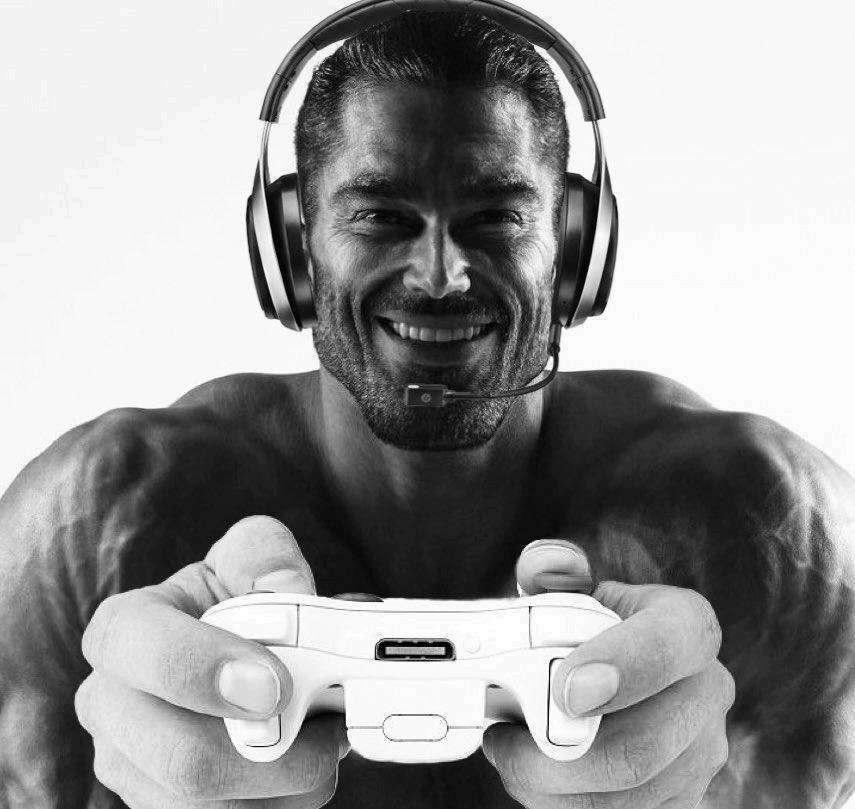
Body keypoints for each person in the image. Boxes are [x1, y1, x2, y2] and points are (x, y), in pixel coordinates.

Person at [1, 9, 854, 809]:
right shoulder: (98, 518)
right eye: (380, 215)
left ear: (573, 250)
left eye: (496, 216)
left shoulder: (770, 525)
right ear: (293, 249)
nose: (440, 276)